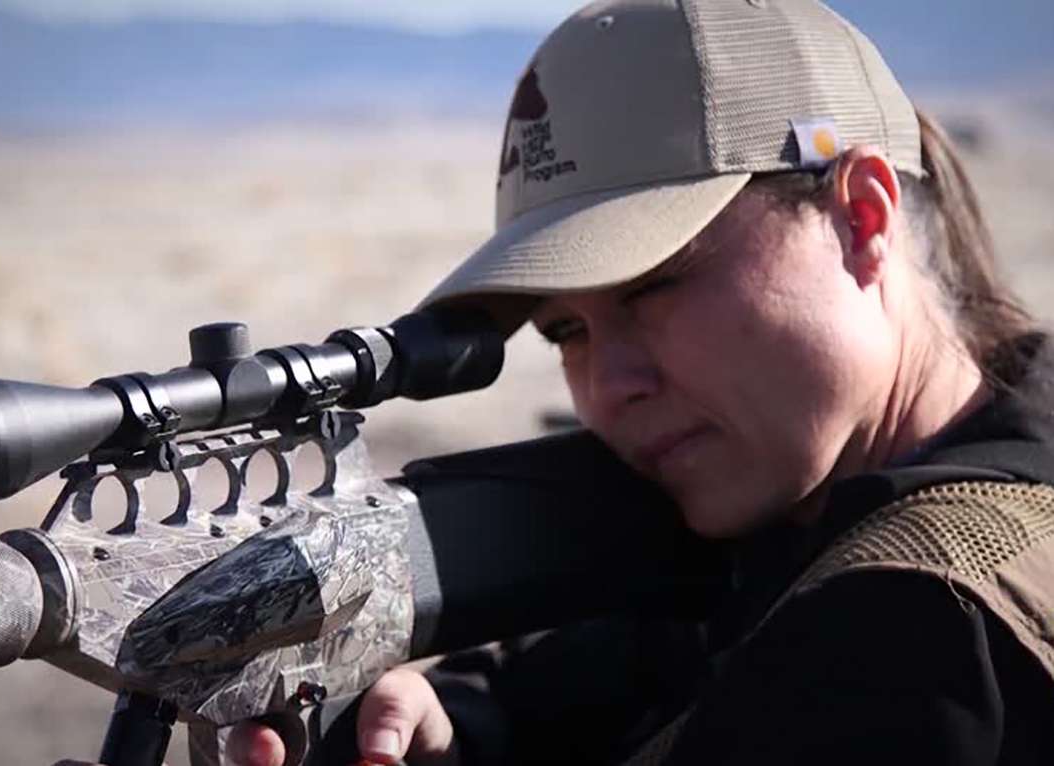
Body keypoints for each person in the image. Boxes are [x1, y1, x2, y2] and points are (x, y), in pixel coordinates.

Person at [75, 0, 1054, 764]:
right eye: (566, 331)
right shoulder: (796, 516)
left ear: (862, 219)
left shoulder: (918, 625)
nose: (609, 383)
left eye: (656, 284)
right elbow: (625, 665)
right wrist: (455, 719)